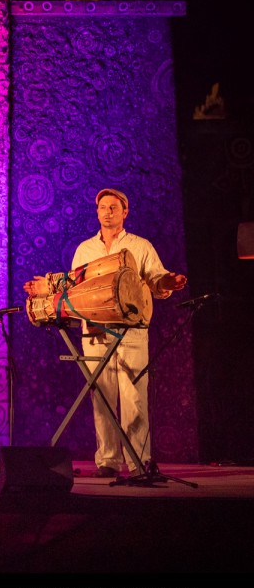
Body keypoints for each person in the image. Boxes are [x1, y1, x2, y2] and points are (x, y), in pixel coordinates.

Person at [63, 188, 186, 478]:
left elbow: (156, 277)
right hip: (95, 331)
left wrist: (168, 280)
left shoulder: (140, 246)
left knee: (134, 398)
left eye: (114, 207)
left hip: (131, 330)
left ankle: (138, 461)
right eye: (103, 207)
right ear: (97, 212)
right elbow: (74, 289)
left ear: (124, 212)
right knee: (102, 396)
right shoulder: (85, 250)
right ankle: (108, 460)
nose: (108, 212)